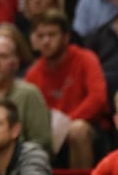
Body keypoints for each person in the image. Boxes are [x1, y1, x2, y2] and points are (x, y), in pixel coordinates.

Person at [23, 10, 107, 169]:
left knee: (77, 130)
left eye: (52, 35)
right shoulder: (33, 73)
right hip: (49, 134)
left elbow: (98, 99)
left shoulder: (85, 58)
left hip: (88, 126)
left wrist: (67, 124)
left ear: (65, 37)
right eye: (41, 36)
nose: (46, 41)